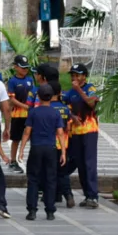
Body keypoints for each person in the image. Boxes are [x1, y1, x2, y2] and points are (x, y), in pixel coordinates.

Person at [23, 84, 67, 221]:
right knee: (50, 179)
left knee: (33, 179)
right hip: (51, 148)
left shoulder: (33, 112)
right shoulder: (55, 113)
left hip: (36, 147)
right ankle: (50, 211)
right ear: (52, 96)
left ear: (38, 96)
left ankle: (32, 210)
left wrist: (21, 149)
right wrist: (63, 152)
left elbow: (27, 132)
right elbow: (60, 133)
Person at [62, 63, 100, 208]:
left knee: (90, 163)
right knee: (81, 164)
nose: (74, 78)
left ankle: (93, 196)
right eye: (72, 75)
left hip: (89, 130)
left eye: (77, 75)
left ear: (84, 76)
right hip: (75, 132)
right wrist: (72, 116)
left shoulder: (90, 88)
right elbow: (64, 107)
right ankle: (87, 195)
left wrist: (79, 89)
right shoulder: (70, 93)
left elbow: (91, 104)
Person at [48, 79, 76, 208]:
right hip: (64, 144)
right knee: (63, 172)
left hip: (50, 144)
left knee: (50, 172)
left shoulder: (48, 108)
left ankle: (52, 196)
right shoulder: (65, 108)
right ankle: (68, 195)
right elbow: (68, 127)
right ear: (60, 93)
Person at [5, 55, 35, 174]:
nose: (25, 69)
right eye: (22, 67)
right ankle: (13, 161)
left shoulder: (30, 80)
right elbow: (11, 99)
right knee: (16, 138)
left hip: (30, 114)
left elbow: (33, 94)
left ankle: (32, 161)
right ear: (15, 67)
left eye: (26, 67)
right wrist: (25, 106)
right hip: (17, 115)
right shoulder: (12, 81)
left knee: (32, 138)